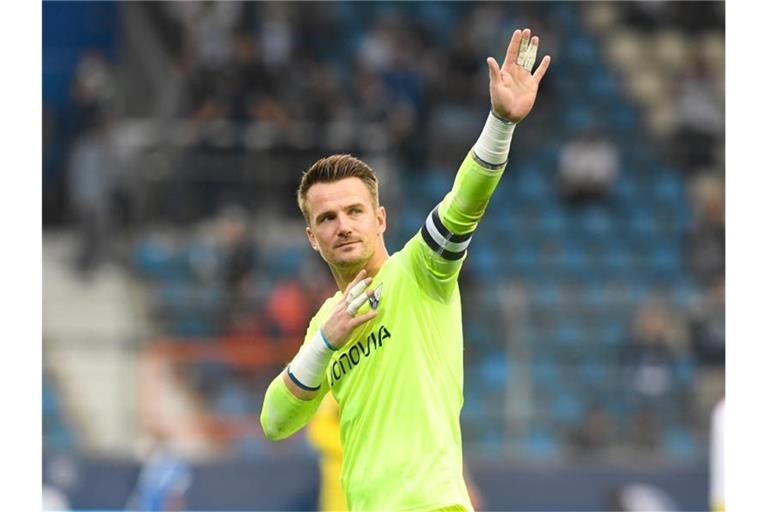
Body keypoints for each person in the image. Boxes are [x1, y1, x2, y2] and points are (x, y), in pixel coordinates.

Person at [260, 28, 550, 510]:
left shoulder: (420, 272)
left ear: (380, 218)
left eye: (354, 212)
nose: (343, 226)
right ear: (312, 238)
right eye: (326, 218)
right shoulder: (326, 324)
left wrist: (500, 123)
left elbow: (464, 203)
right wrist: (326, 342)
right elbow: (274, 421)